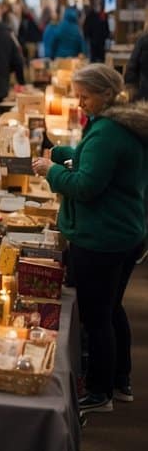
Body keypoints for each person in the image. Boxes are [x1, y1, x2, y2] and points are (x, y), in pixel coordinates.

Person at [32, 64, 148, 412]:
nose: (79, 102)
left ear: (106, 94)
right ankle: (119, 379)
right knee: (111, 308)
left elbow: (85, 186)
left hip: (101, 236)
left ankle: (99, 392)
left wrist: (50, 171)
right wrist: (66, 155)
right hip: (125, 231)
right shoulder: (120, 125)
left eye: (84, 96)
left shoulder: (108, 132)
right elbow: (96, 166)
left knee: (96, 316)